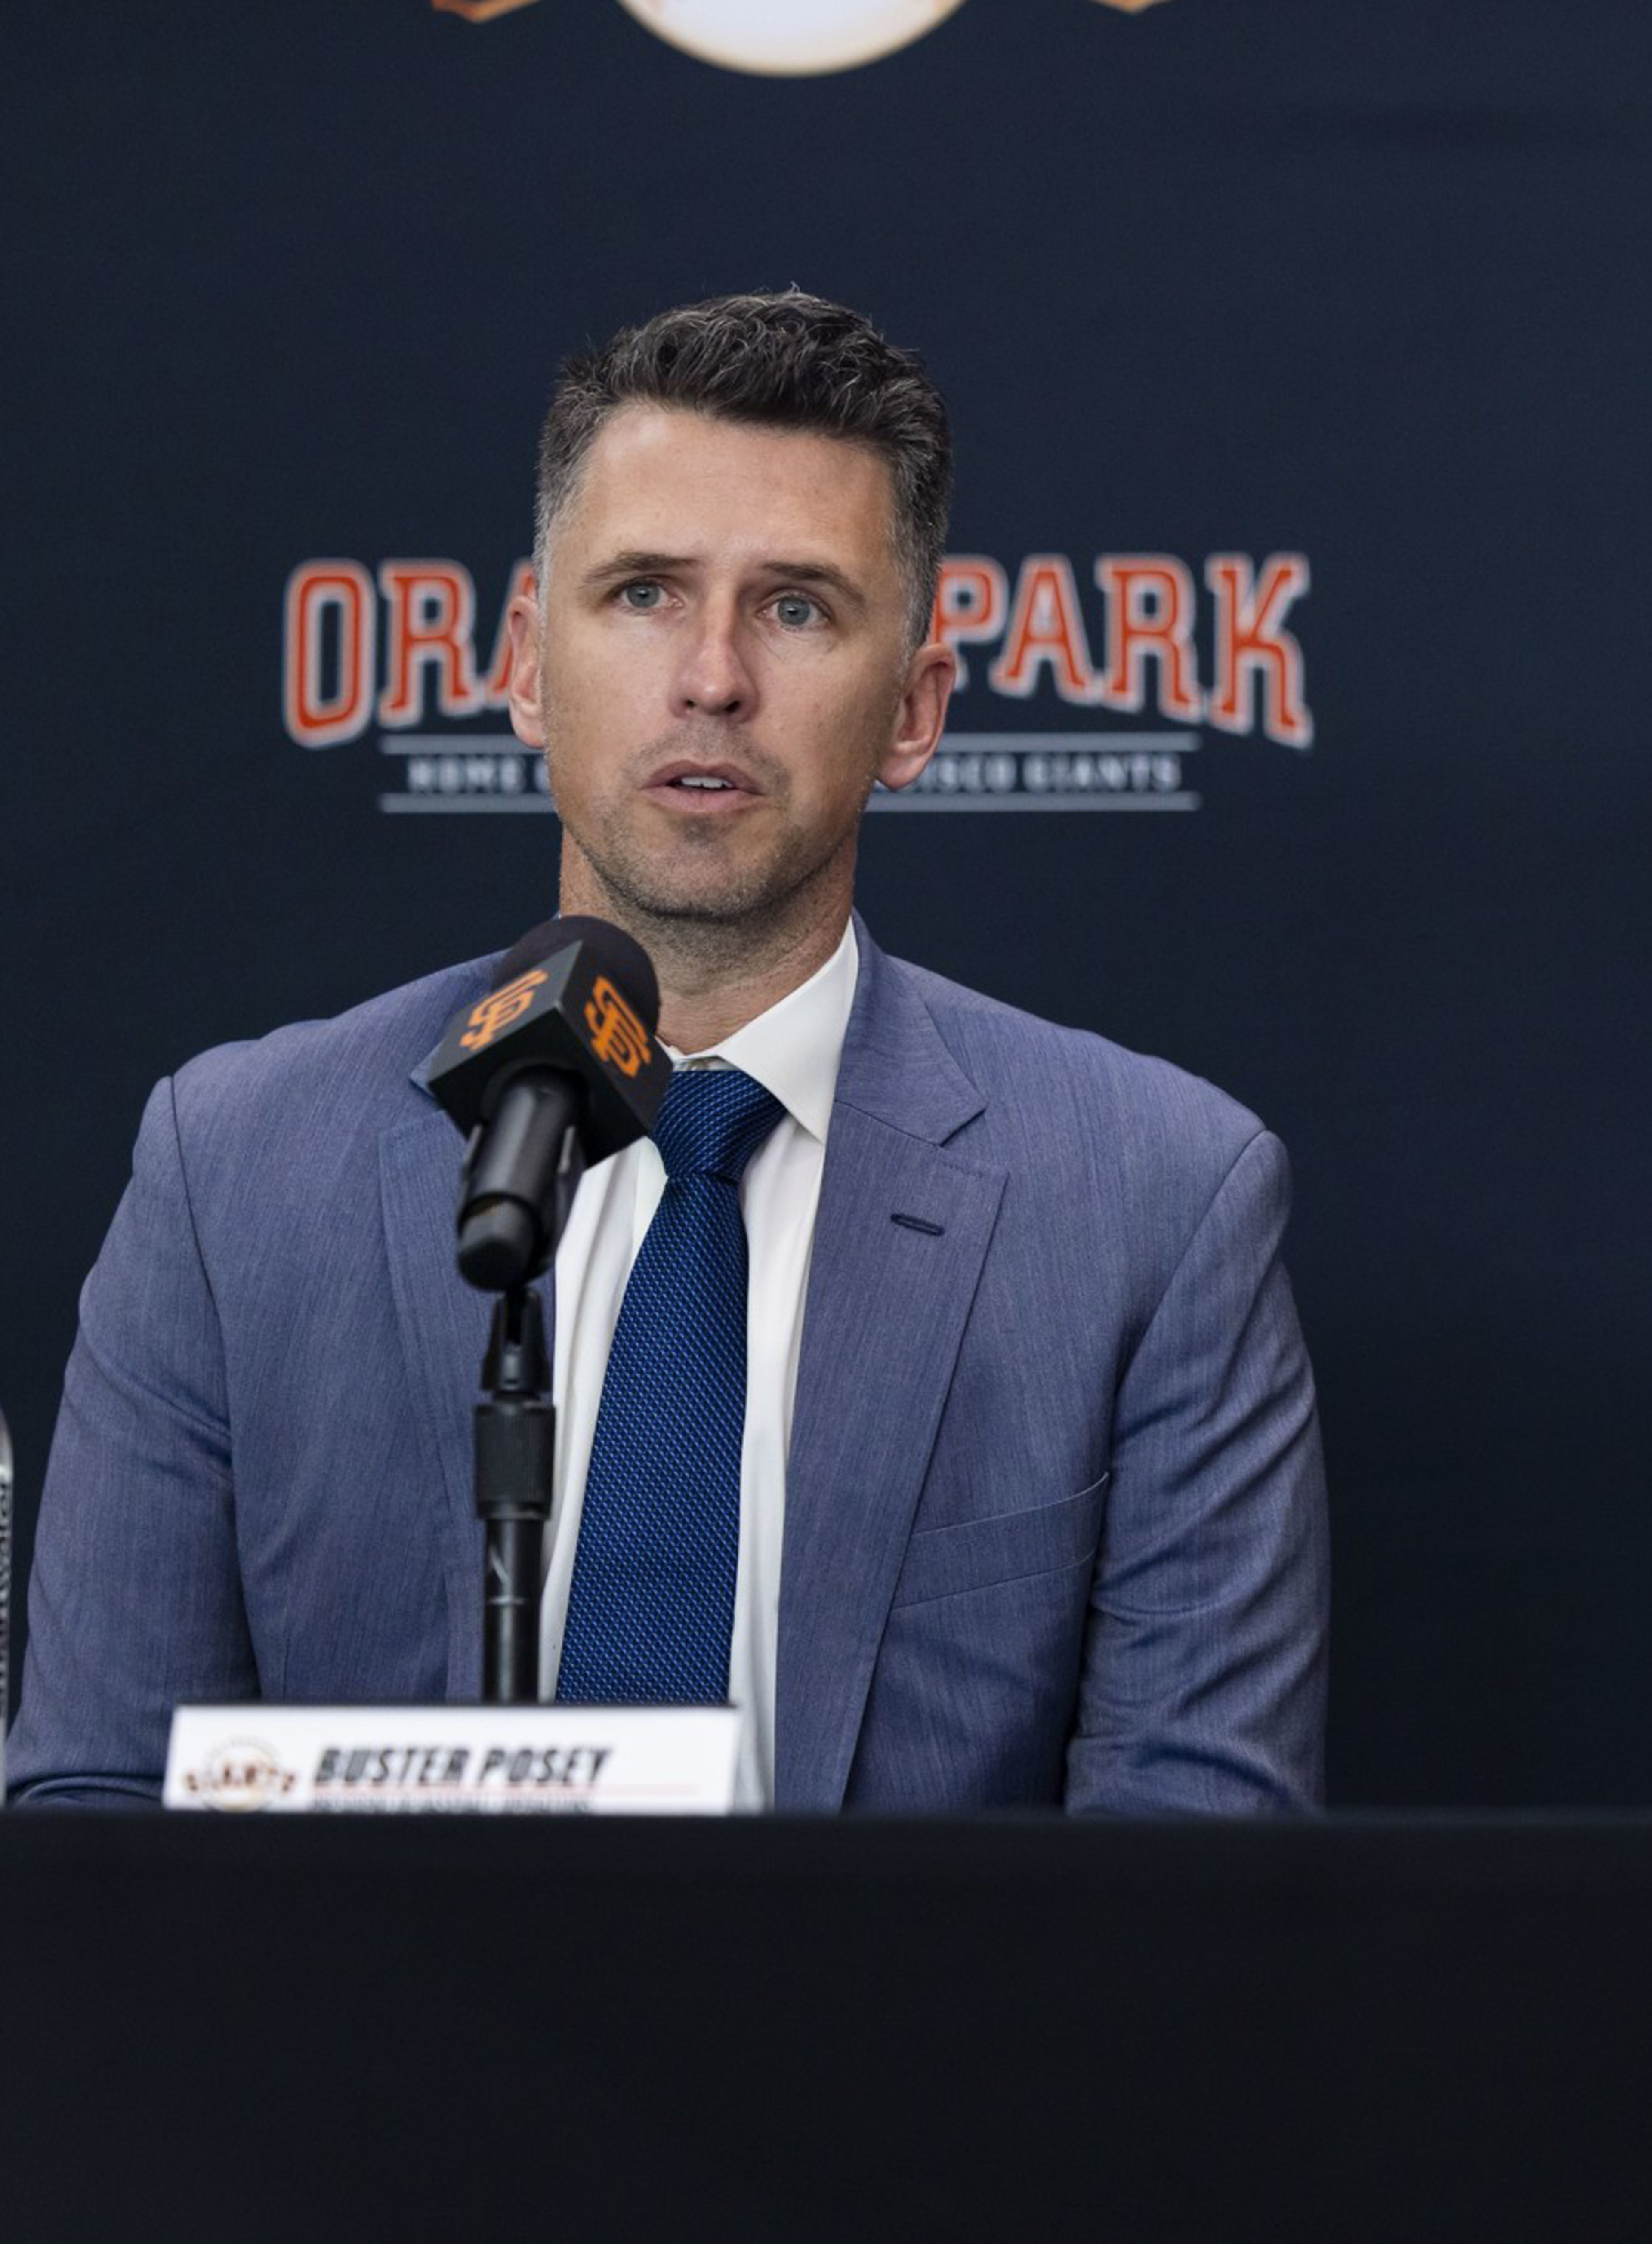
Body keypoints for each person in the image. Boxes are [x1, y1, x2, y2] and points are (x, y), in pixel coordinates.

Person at [8, 292, 1328, 1811]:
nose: (711, 677)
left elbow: (1189, 1872)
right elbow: (94, 1817)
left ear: (913, 712)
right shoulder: (233, 1171)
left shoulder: (1157, 1204)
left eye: (796, 608)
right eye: (642, 593)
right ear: (523, 666)